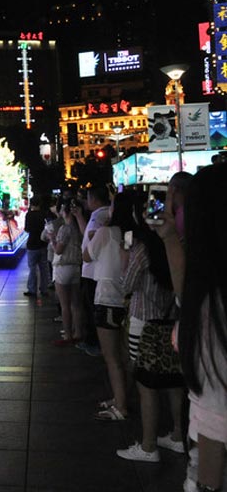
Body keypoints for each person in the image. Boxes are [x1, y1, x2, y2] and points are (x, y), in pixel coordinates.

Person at [158, 164, 227, 492]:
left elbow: (217, 420)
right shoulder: (209, 293)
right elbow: (188, 294)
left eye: (182, 203)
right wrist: (170, 237)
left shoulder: (213, 314)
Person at [116, 189, 185, 462]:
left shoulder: (141, 249)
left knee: (147, 384)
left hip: (143, 324)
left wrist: (125, 250)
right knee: (172, 381)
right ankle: (178, 436)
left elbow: (126, 285)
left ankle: (148, 446)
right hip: (173, 323)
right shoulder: (175, 245)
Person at [84, 190, 133, 421]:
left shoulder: (105, 231)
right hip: (126, 297)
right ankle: (121, 397)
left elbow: (86, 256)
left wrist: (94, 235)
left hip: (106, 297)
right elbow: (126, 261)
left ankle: (121, 407)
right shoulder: (130, 232)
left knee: (110, 356)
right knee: (123, 354)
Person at [74, 185, 110, 357]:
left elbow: (94, 240)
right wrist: (79, 216)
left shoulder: (103, 215)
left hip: (93, 270)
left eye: (88, 198)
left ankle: (94, 343)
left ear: (94, 199)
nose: (86, 201)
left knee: (91, 308)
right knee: (88, 305)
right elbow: (86, 235)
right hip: (90, 270)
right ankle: (92, 341)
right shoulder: (97, 215)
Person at [50, 197, 84, 346]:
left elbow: (58, 250)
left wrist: (52, 239)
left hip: (63, 268)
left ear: (64, 211)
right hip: (76, 266)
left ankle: (68, 335)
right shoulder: (79, 227)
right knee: (76, 304)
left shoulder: (65, 228)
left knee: (65, 305)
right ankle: (79, 333)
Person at [24, 195, 51, 299]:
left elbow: (27, 229)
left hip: (32, 244)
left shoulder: (29, 215)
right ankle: (44, 289)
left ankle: (32, 289)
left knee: (32, 268)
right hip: (43, 244)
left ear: (31, 204)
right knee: (44, 268)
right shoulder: (44, 214)